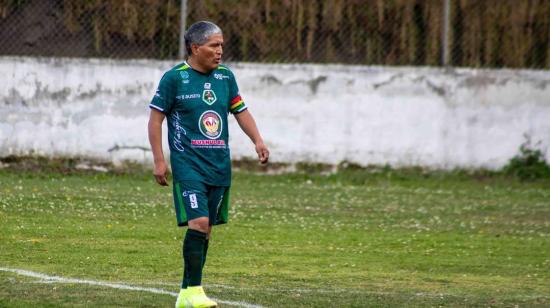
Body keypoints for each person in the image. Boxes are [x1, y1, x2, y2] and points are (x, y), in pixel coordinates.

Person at [148, 21, 269, 308]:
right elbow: (155, 120)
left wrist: (258, 140)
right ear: (195, 48)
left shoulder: (226, 78)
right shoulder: (174, 79)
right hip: (188, 165)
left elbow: (240, 111)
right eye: (214, 45)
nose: (220, 51)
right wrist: (159, 160)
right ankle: (193, 291)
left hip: (218, 165)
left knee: (207, 229)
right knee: (199, 223)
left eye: (222, 45)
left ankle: (187, 293)